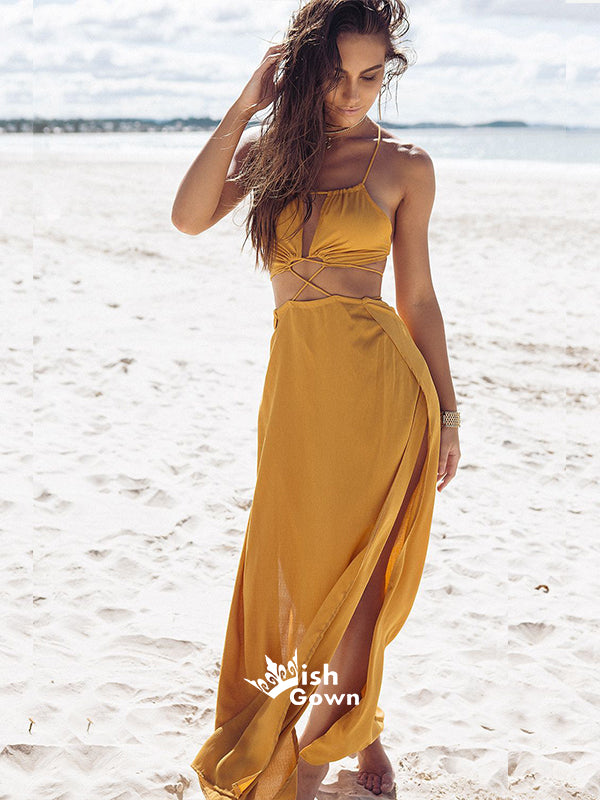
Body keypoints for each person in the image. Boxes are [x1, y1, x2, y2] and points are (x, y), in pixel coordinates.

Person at [171, 2, 461, 799]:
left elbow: (419, 300)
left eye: (371, 76)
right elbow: (188, 217)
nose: (352, 93)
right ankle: (362, 730)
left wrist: (448, 412)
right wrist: (244, 106)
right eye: (336, 75)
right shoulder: (270, 155)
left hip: (381, 395)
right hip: (297, 394)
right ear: (303, 72)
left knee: (359, 580)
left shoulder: (405, 166)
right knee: (307, 571)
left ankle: (311, 760)